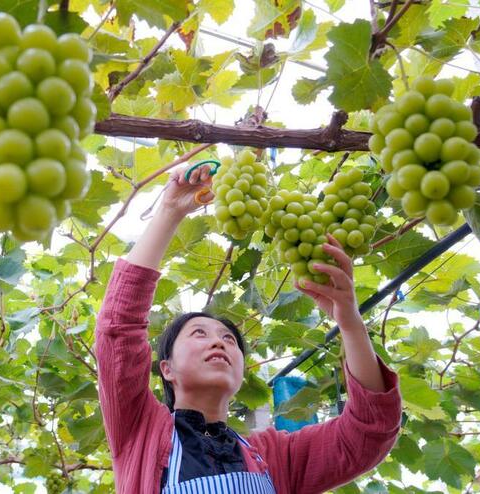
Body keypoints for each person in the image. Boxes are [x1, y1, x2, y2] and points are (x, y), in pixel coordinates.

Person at [95, 161, 403, 493]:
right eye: (199, 333)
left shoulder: (277, 456)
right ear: (166, 369)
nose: (220, 343)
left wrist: (350, 321)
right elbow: (119, 327)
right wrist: (169, 211)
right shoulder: (141, 431)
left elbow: (369, 432)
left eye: (229, 339)